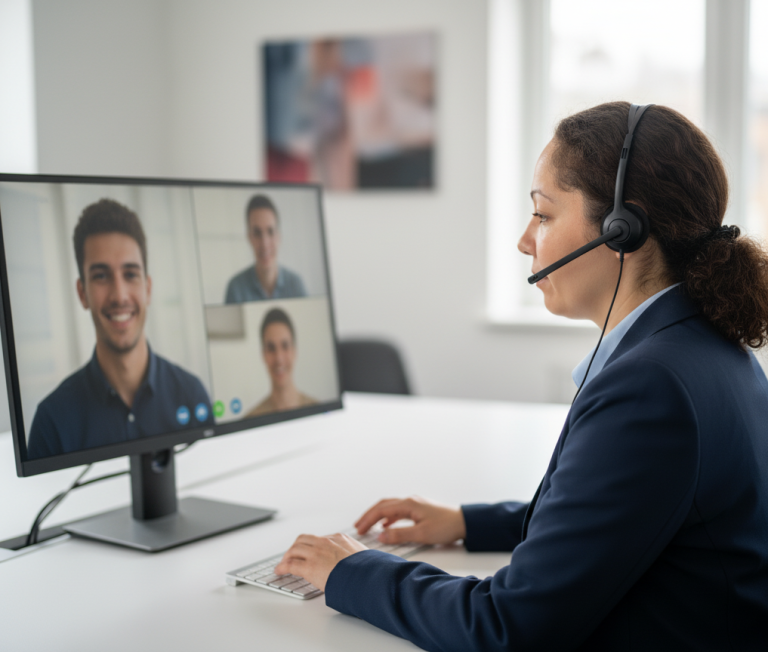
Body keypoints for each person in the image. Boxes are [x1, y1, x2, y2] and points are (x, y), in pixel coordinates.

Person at [275, 102, 768, 649]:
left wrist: (354, 570)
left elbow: (506, 627)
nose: (525, 240)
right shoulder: (706, 345)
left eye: (545, 214)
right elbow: (617, 515)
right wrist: (468, 522)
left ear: (621, 229)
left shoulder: (650, 388)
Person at [27, 199, 213, 459]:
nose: (119, 295)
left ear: (147, 288)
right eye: (101, 276)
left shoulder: (192, 394)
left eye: (130, 274)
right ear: (82, 293)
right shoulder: (52, 422)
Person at [224, 195, 307, 303]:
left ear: (278, 236)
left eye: (270, 231)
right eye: (257, 233)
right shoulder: (235, 289)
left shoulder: (296, 285)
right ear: (249, 238)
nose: (264, 243)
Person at [246, 307, 317, 417]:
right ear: (263, 354)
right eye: (271, 348)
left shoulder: (318, 410)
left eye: (285, 346)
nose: (279, 358)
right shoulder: (250, 419)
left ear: (294, 351)